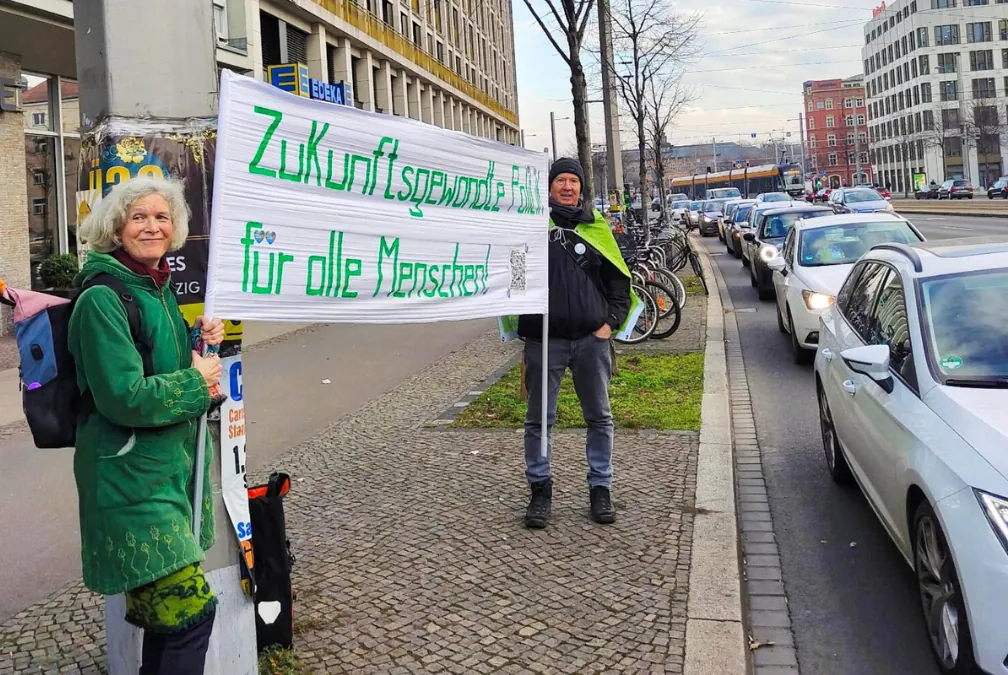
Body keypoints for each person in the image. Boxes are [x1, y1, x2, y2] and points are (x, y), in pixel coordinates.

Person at [69, 175, 225, 674]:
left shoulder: (155, 289)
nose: (152, 226)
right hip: (128, 480)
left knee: (171, 622)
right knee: (191, 615)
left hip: (165, 474)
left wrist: (204, 345)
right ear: (117, 227)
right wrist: (197, 383)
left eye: (162, 217)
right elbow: (125, 397)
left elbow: (172, 369)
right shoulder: (103, 298)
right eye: (139, 217)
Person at [517, 158, 632, 529]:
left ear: (582, 188)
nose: (567, 187)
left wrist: (610, 324)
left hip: (590, 339)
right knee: (539, 420)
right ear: (548, 187)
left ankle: (601, 487)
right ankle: (540, 489)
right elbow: (513, 274)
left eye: (573, 181)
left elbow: (619, 282)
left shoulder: (596, 227)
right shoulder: (531, 226)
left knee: (599, 417)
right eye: (560, 180)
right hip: (543, 340)